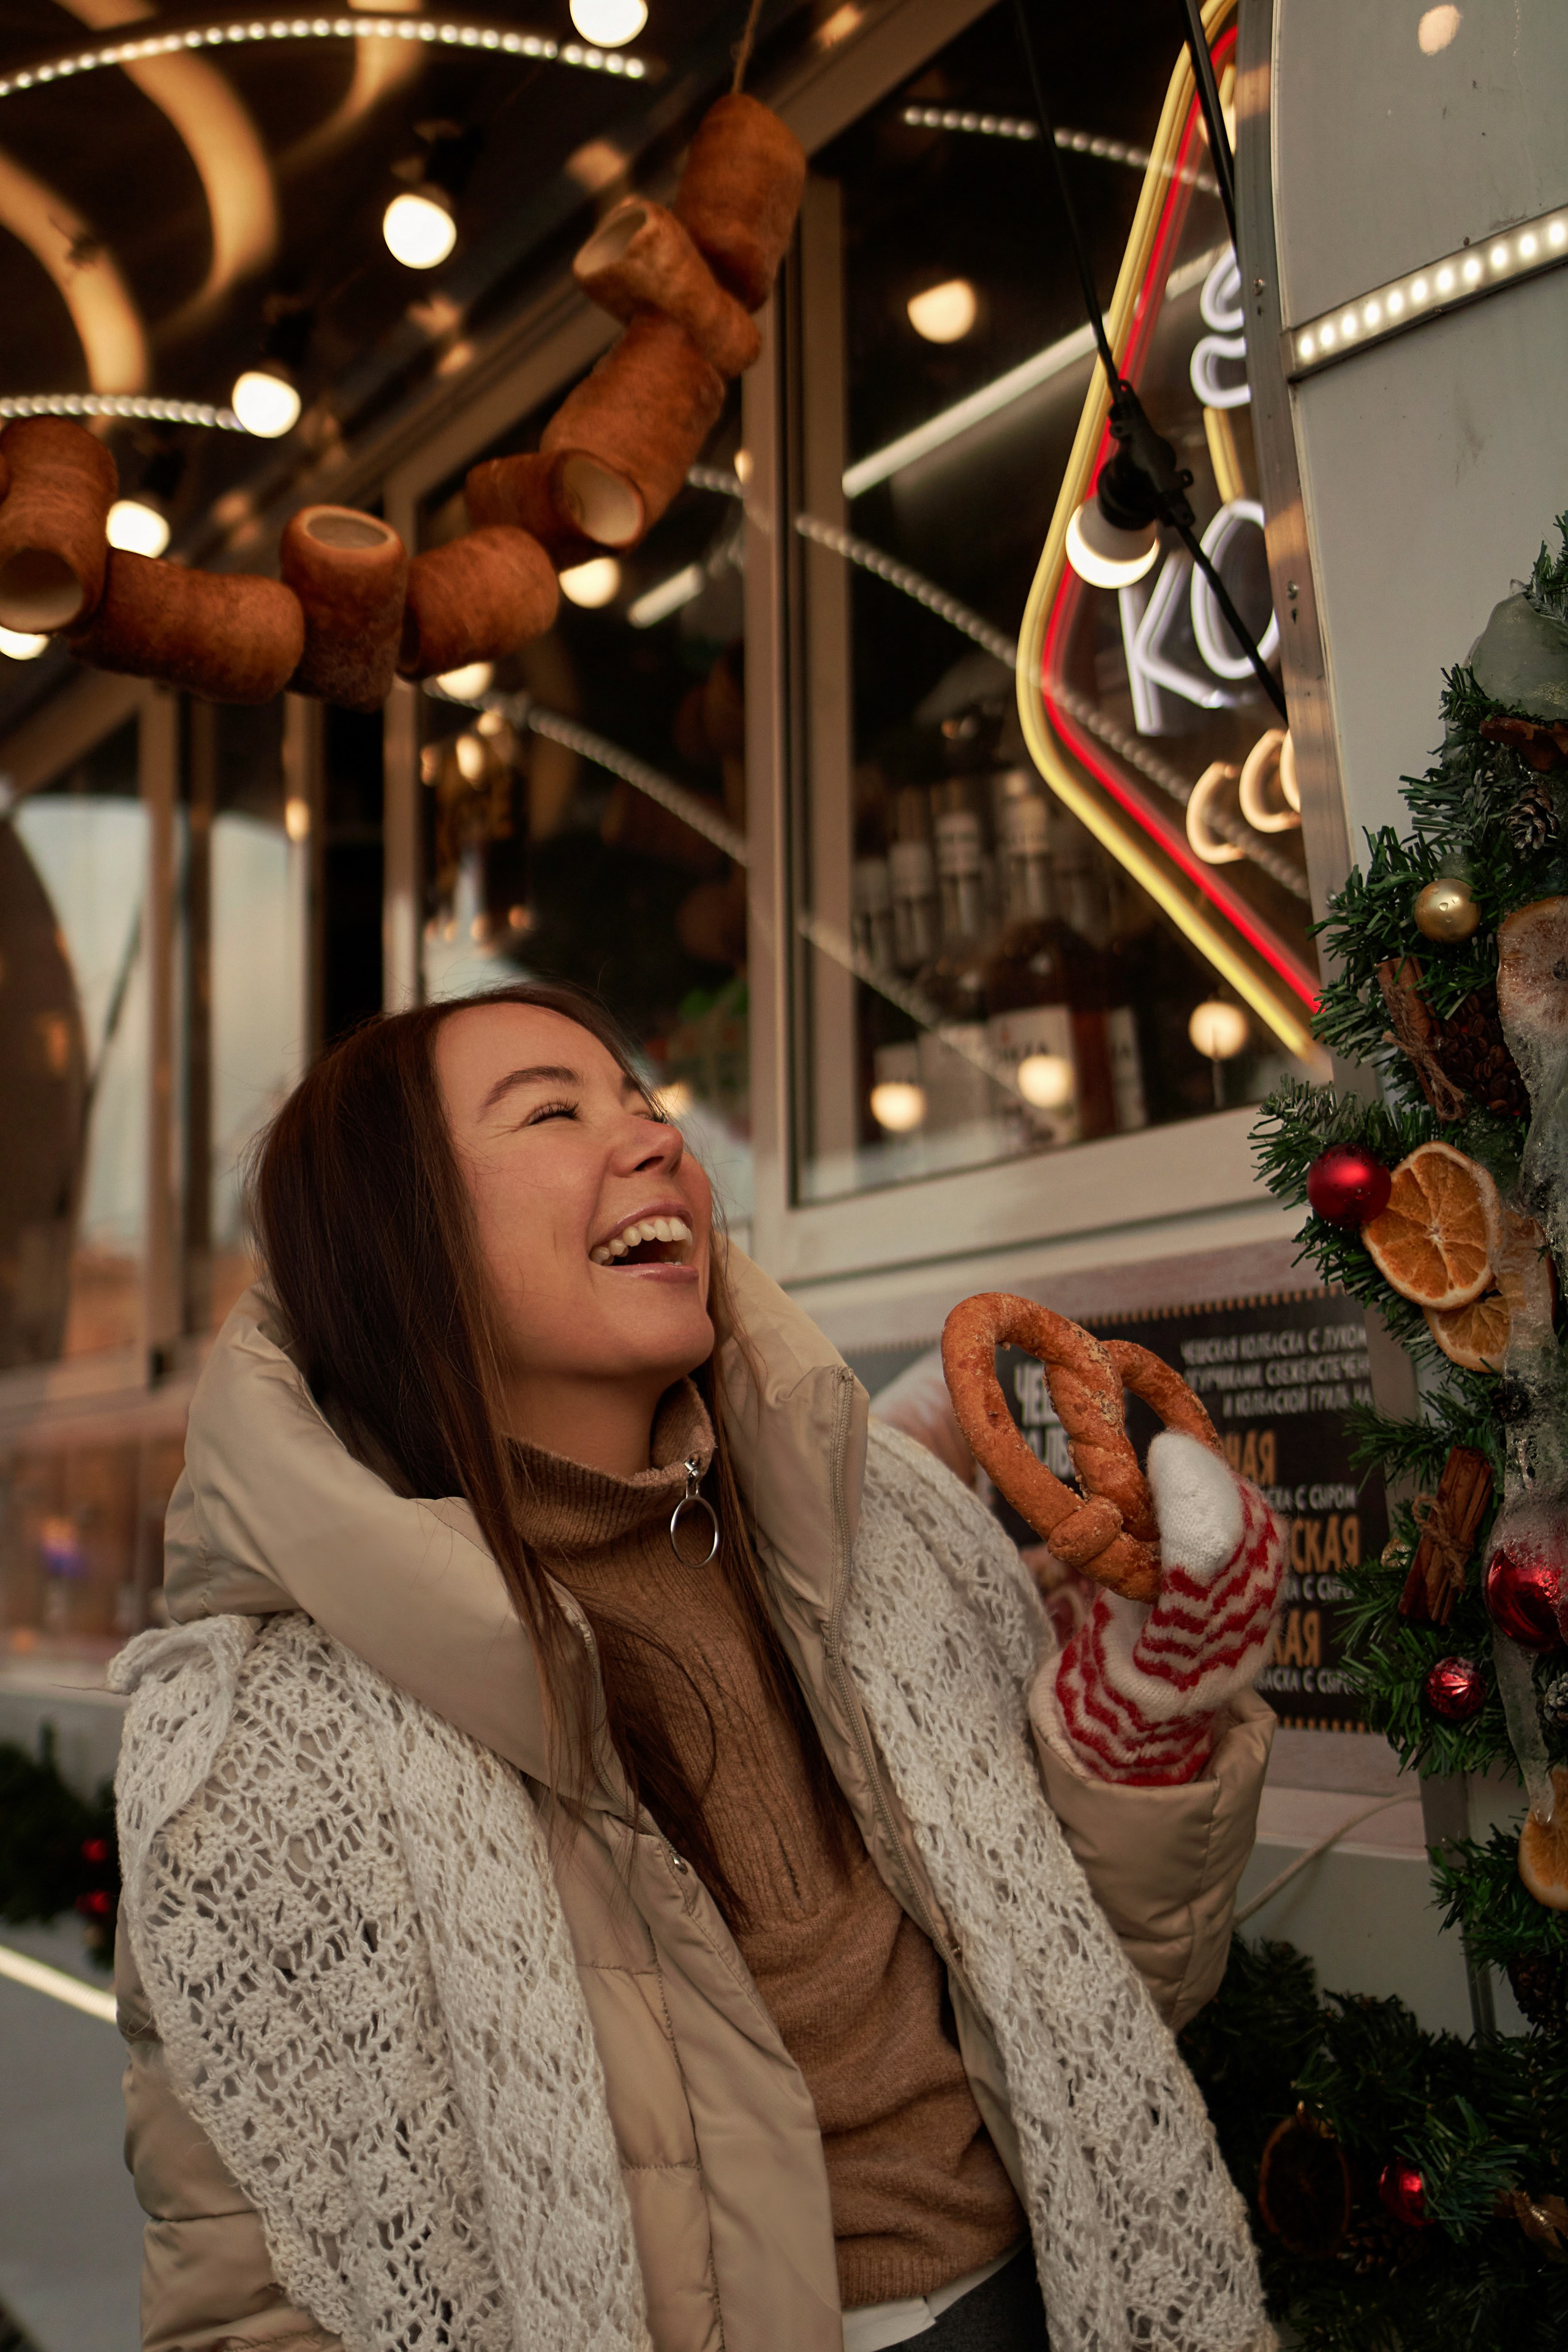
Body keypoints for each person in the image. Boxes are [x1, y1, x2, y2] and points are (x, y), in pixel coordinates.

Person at [111, 981, 1283, 2352]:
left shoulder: (877, 1528)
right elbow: (247, 2302)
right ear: (399, 1240)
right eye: (555, 1111)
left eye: (648, 1103)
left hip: (1058, 2303)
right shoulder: (260, 1751)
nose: (657, 1140)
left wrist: (1138, 1721)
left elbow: (1103, 2010)